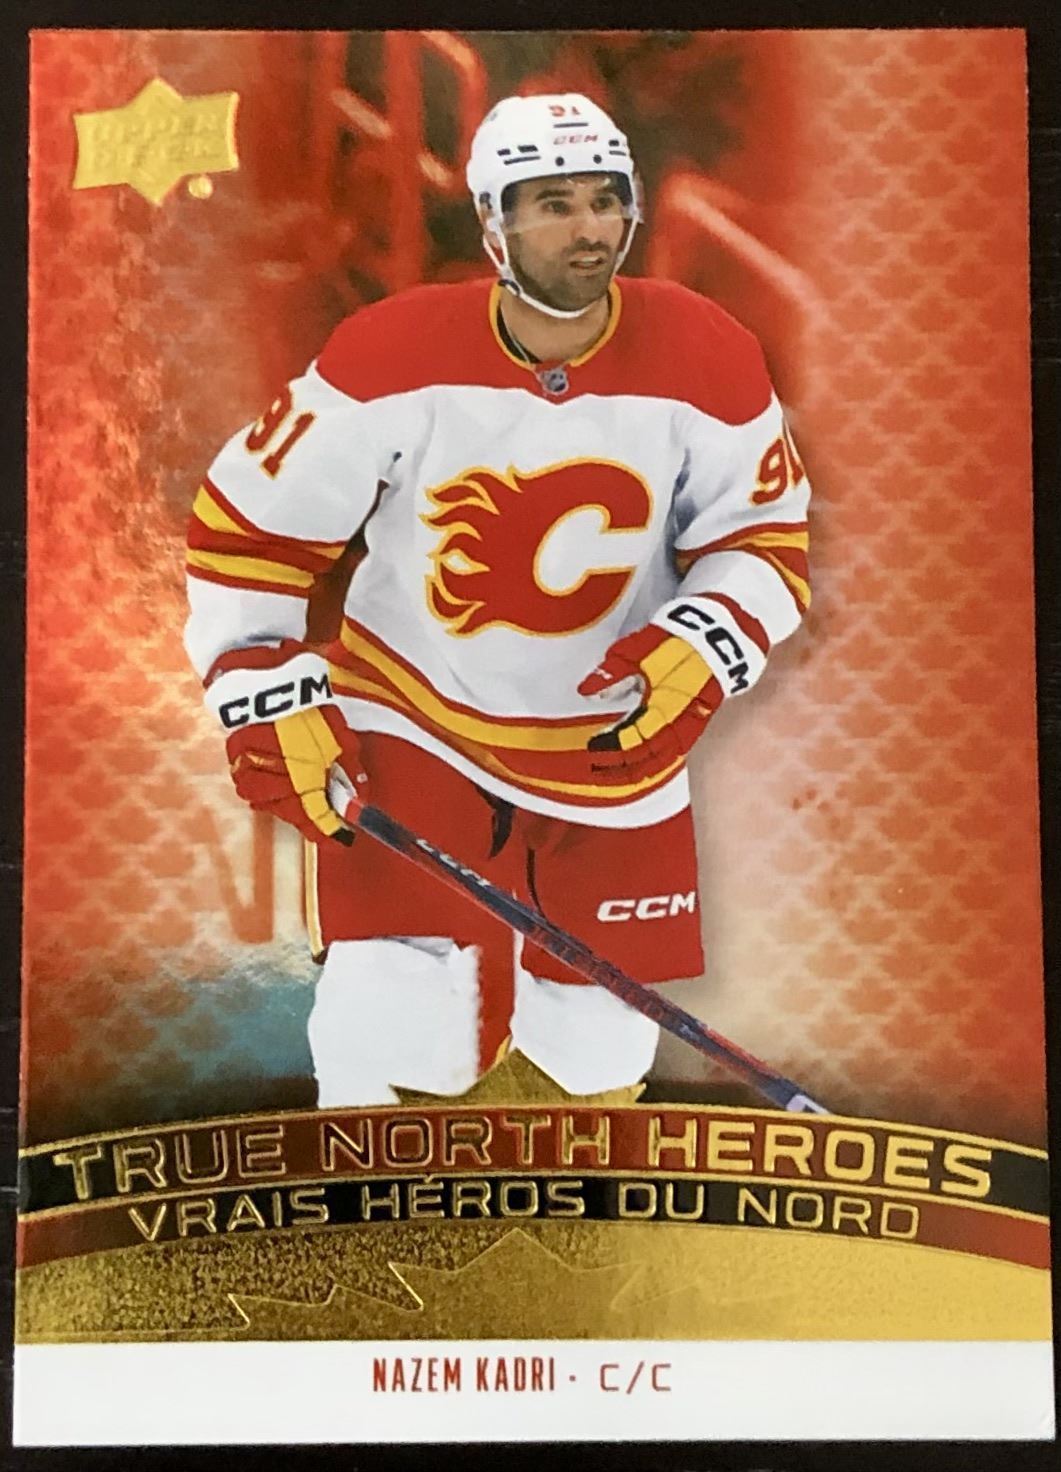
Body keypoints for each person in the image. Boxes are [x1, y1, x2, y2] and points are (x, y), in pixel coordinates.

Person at [184, 92, 811, 1105]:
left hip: (612, 747)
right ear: (491, 222)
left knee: (597, 1065)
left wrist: (705, 638)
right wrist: (262, 684)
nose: (588, 227)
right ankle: (368, 1200)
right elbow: (248, 531)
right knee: (395, 1032)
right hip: (415, 721)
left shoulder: (709, 352)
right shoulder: (389, 352)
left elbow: (763, 538)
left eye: (605, 199)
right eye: (552, 204)